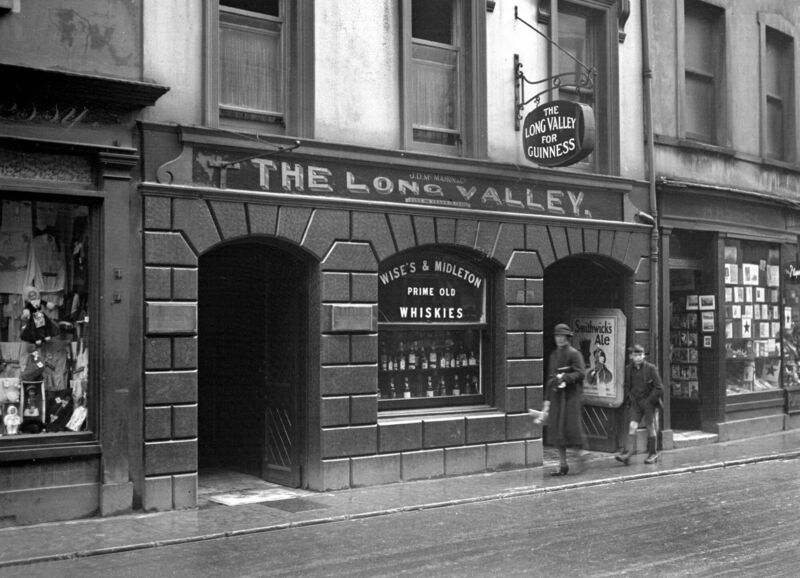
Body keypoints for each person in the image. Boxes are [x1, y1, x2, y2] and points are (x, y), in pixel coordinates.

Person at [541, 323, 587, 476]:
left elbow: (581, 373)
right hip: (557, 397)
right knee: (557, 432)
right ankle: (563, 464)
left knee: (572, 429)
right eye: (557, 336)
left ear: (568, 338)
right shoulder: (553, 355)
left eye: (562, 336)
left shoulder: (574, 354)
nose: (559, 339)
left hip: (571, 397)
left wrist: (566, 377)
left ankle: (580, 456)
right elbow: (550, 377)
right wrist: (547, 400)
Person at [616, 343, 663, 465]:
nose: (638, 358)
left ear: (644, 356)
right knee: (632, 426)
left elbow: (659, 388)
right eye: (636, 355)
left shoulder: (651, 368)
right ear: (631, 356)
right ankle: (628, 453)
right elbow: (627, 386)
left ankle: (653, 454)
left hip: (649, 402)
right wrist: (629, 399)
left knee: (650, 426)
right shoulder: (628, 369)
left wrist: (650, 401)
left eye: (640, 355)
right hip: (635, 403)